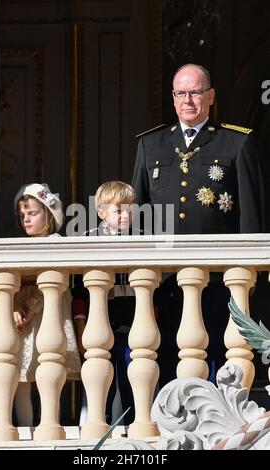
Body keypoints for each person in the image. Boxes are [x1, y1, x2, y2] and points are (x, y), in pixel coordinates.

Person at [132, 63, 265, 387]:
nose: (187, 100)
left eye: (195, 92)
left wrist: (248, 274)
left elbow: (250, 216)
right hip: (164, 279)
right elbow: (136, 214)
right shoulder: (152, 144)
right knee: (162, 357)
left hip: (220, 279)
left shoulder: (235, 144)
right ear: (173, 97)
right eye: (181, 93)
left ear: (210, 95)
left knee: (223, 358)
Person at [72, 181, 147, 426]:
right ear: (102, 213)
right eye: (119, 210)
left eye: (131, 208)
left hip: (133, 325)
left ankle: (131, 428)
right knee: (98, 383)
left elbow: (150, 291)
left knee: (132, 381)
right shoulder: (87, 240)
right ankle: (95, 429)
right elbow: (79, 293)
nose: (127, 214)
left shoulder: (144, 239)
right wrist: (81, 327)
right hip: (99, 323)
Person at [13, 183, 81, 426]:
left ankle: (49, 423)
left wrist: (31, 310)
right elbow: (10, 283)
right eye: (23, 216)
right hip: (23, 319)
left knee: (49, 371)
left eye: (32, 214)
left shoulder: (55, 242)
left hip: (45, 317)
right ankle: (25, 426)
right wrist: (14, 307)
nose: (26, 220)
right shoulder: (19, 247)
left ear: (49, 215)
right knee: (21, 373)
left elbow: (53, 283)